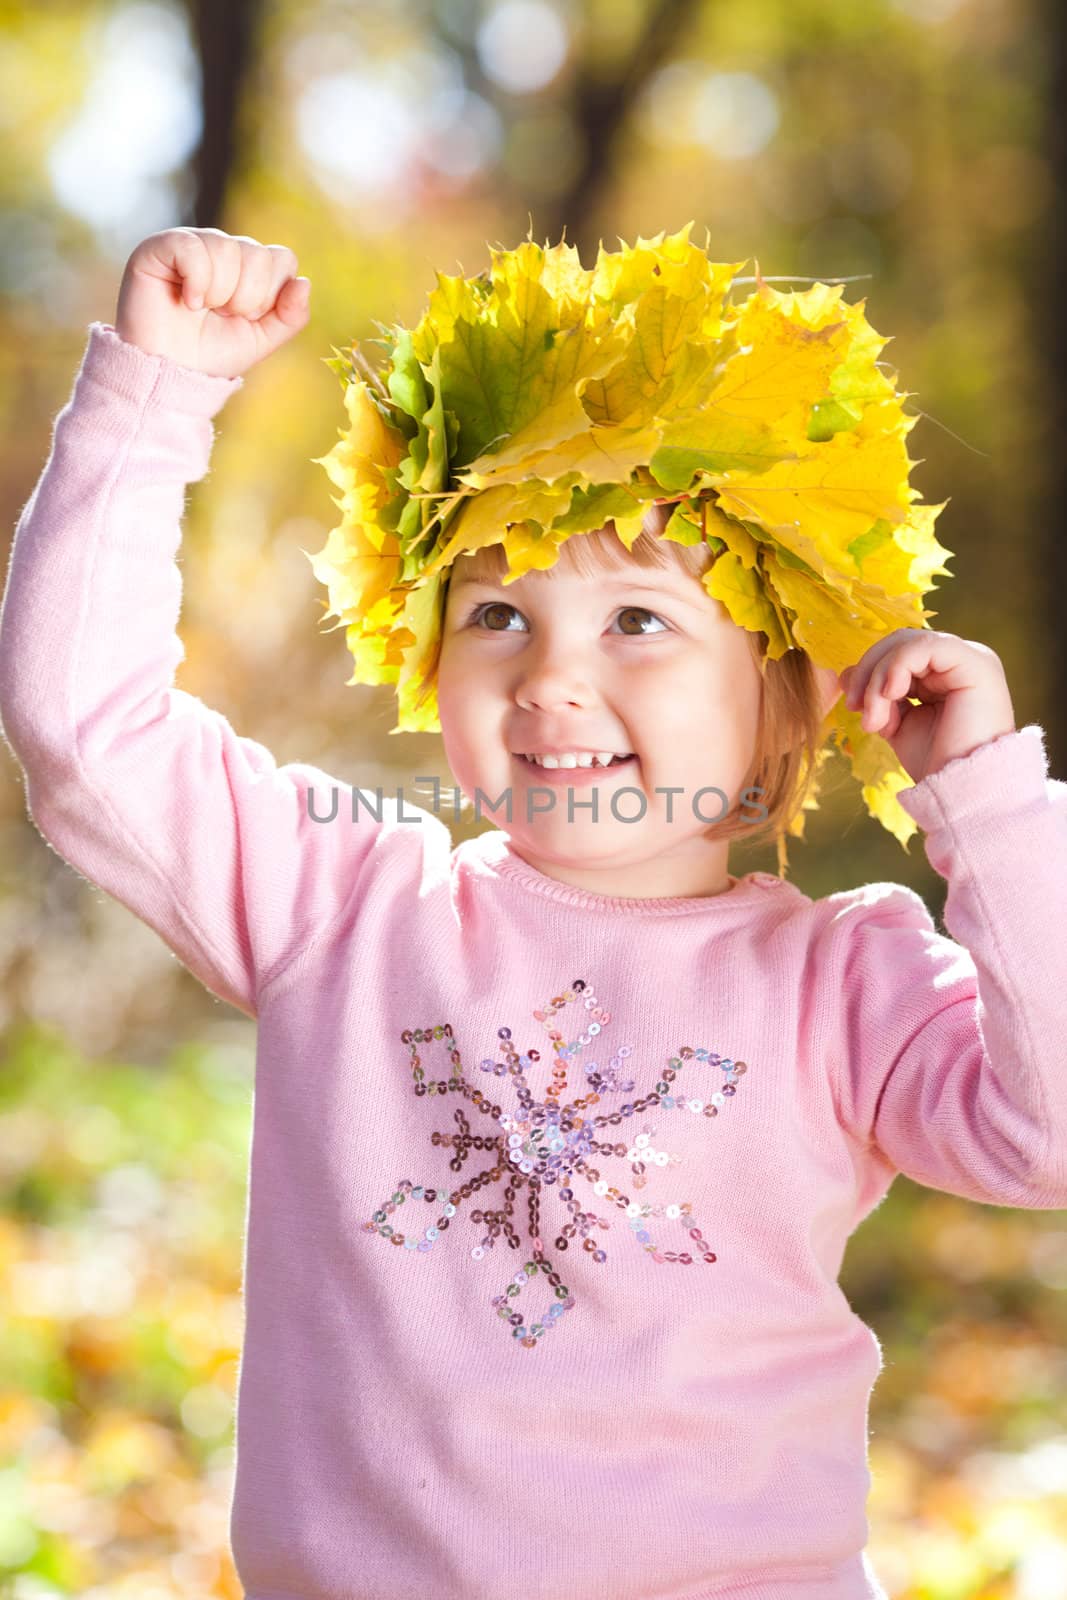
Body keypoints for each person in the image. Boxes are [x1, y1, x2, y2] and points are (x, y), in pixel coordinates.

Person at [0, 224, 1064, 1600]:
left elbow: (1047, 1137)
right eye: (497, 614)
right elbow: (85, 735)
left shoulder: (837, 975)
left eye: (637, 622)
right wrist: (153, 401)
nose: (553, 678)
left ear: (780, 693)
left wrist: (984, 800)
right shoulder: (345, 903)